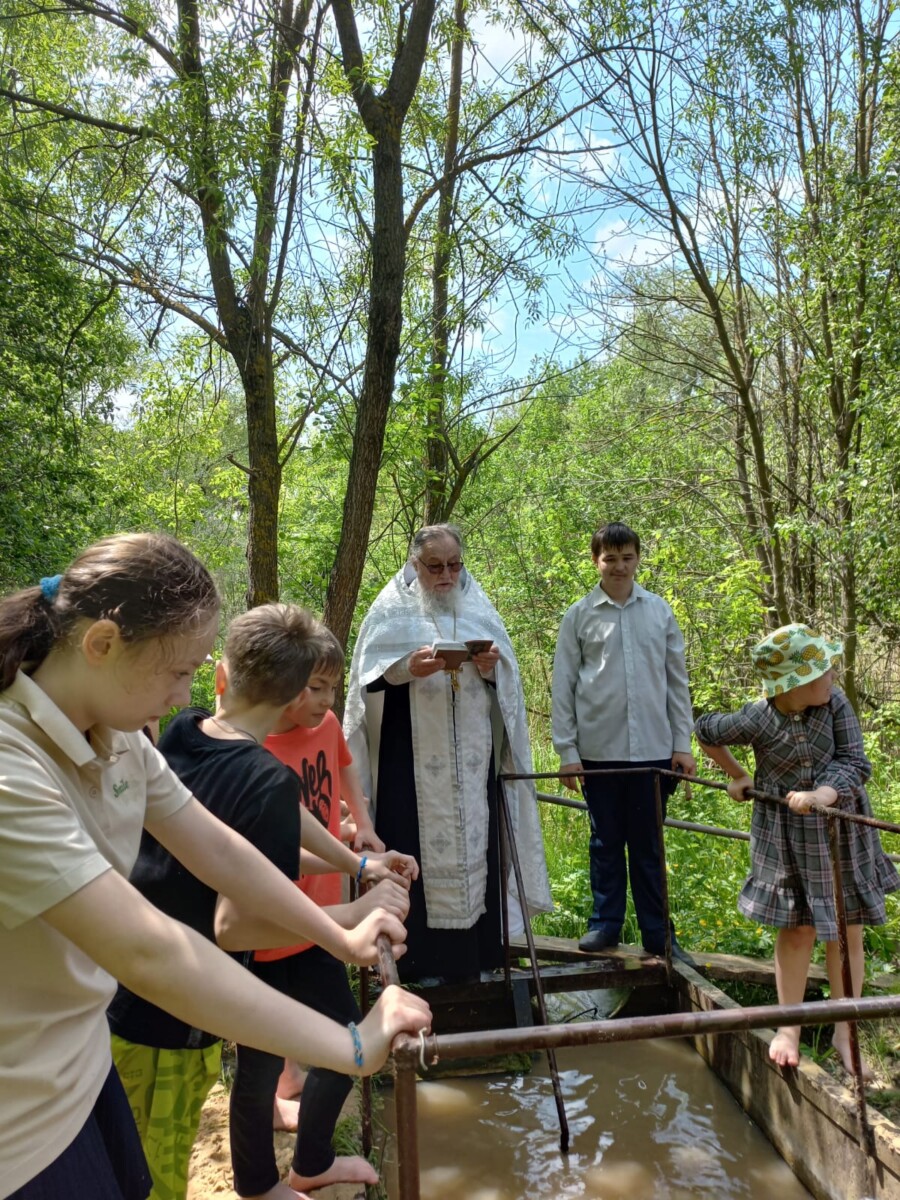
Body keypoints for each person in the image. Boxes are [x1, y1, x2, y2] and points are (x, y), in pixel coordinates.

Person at [0, 533, 430, 1200]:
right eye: (177, 672)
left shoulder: (118, 735)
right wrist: (350, 1045)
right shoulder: (10, 770)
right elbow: (149, 951)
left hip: (78, 1065)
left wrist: (339, 935)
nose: (183, 697)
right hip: (18, 1120)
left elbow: (222, 849)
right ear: (102, 644)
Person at [109, 604, 417, 1200]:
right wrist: (347, 917)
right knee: (154, 1178)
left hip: (130, 986)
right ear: (292, 701)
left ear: (220, 677)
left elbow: (238, 848)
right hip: (177, 1013)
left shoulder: (187, 732)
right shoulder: (267, 780)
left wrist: (356, 864)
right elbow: (236, 921)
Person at [344, 523, 552, 983]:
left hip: (473, 769)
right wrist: (403, 668)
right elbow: (363, 690)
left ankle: (478, 957)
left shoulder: (479, 608)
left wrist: (493, 669)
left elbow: (511, 690)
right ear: (415, 565)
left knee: (477, 854)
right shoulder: (389, 611)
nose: (446, 576)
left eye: (454, 565)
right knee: (412, 849)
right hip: (410, 766)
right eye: (435, 567)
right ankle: (413, 963)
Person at [694, 622, 899, 1074]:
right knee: (798, 930)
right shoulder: (757, 717)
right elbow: (706, 729)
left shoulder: (836, 704)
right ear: (794, 684)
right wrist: (737, 775)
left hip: (840, 830)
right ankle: (791, 1026)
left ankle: (844, 1030)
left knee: (847, 930)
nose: (832, 676)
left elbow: (855, 761)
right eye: (822, 671)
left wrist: (826, 793)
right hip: (786, 837)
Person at [551, 522, 697, 961]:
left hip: (654, 751)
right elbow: (564, 687)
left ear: (638, 559)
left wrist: (682, 744)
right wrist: (567, 753)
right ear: (596, 561)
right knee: (605, 842)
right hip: (598, 753)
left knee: (649, 846)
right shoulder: (580, 616)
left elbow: (677, 682)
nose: (619, 566)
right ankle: (605, 925)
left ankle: (659, 935)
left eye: (627, 557)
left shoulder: (659, 612)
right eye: (609, 558)